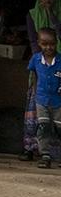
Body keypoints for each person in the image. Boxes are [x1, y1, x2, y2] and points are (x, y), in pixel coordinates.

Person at [25, 0, 60, 159]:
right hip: (41, 67)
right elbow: (33, 41)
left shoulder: (59, 12)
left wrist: (52, 15)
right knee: (39, 111)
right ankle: (34, 148)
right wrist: (40, 61)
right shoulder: (32, 15)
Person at [32, 28, 61, 168]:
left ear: (56, 43)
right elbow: (34, 76)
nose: (48, 47)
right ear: (39, 43)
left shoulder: (60, 60)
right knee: (43, 127)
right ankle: (45, 155)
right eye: (45, 44)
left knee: (59, 128)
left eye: (52, 44)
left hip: (58, 101)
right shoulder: (36, 59)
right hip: (41, 99)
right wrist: (33, 92)